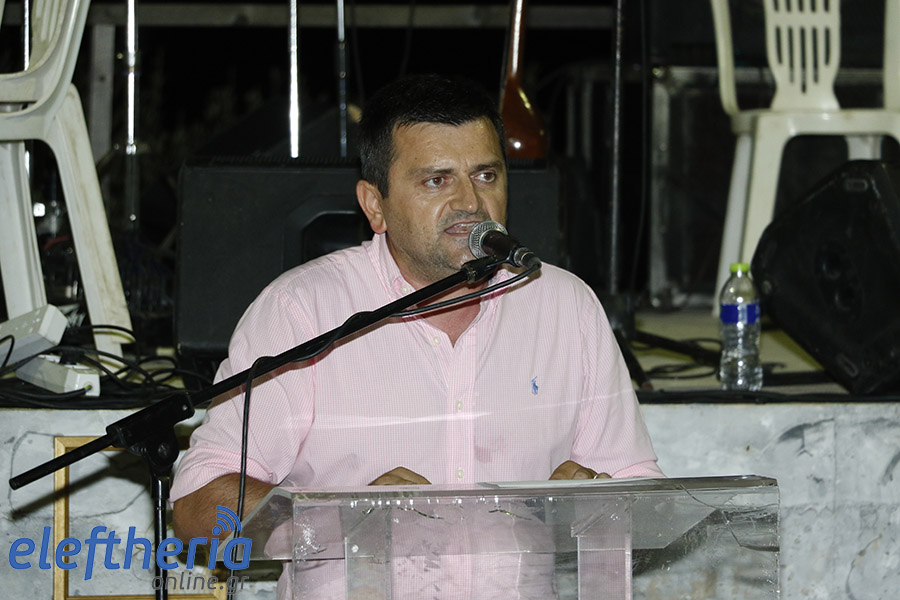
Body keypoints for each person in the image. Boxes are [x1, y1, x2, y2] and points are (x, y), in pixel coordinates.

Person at [171, 73, 662, 597]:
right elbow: (198, 509)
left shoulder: (564, 306)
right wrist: (341, 519)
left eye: (486, 175)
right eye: (436, 180)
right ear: (374, 205)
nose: (470, 202)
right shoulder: (302, 311)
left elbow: (647, 500)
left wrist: (598, 506)